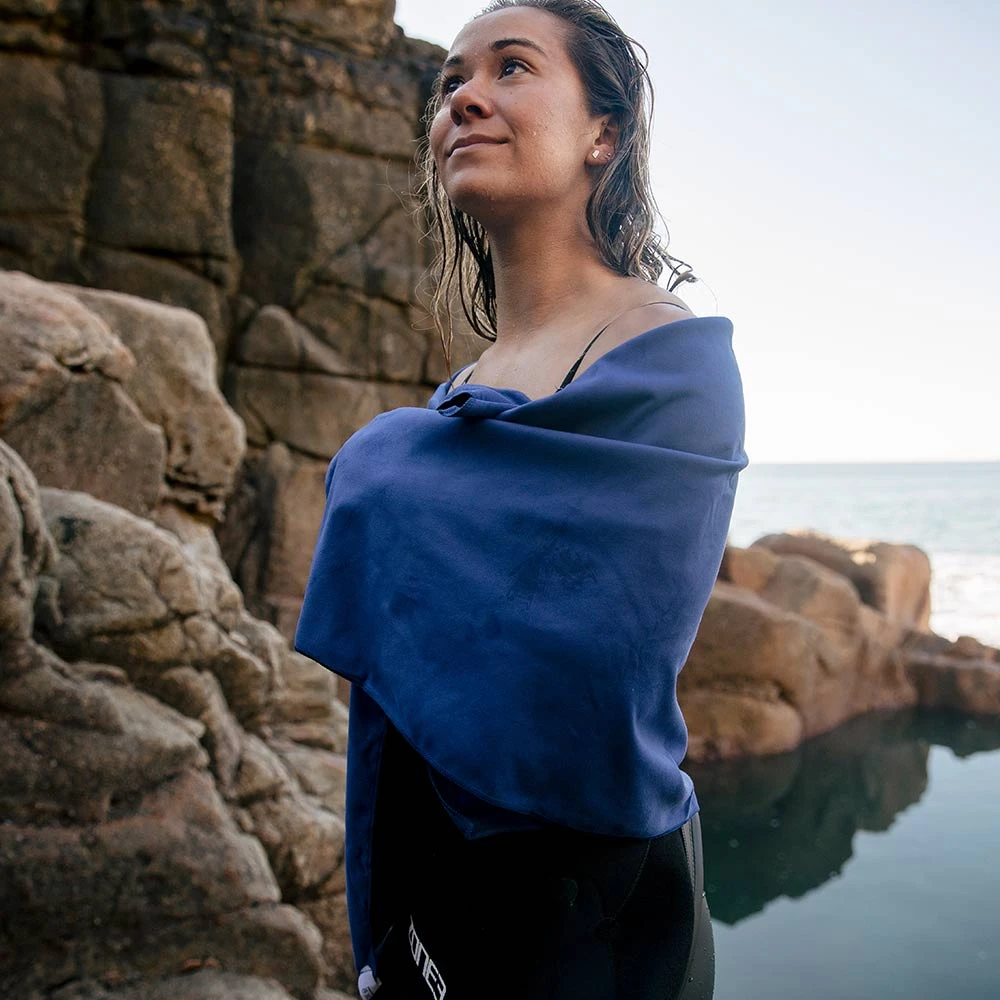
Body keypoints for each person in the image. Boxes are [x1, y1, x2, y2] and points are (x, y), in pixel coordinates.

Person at [295, 1, 747, 997]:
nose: (465, 98)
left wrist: (386, 457)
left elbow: (596, 662)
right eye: (451, 80)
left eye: (511, 67)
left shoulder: (669, 360)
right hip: (438, 871)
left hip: (594, 906)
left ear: (602, 135)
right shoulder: (463, 388)